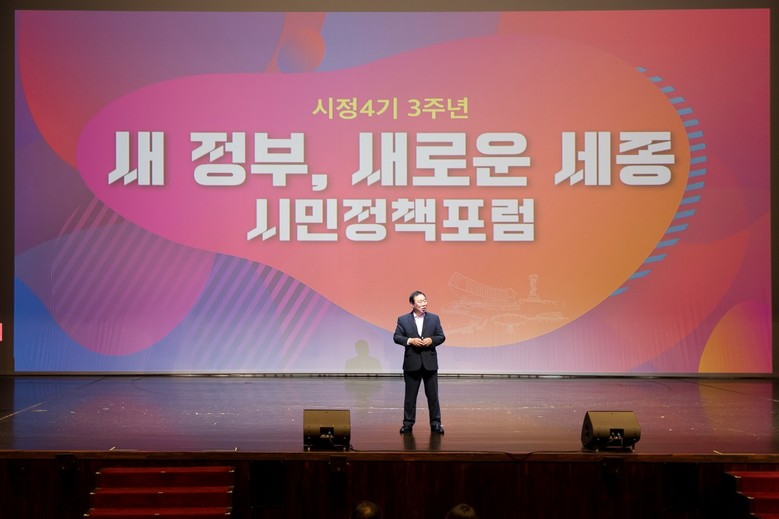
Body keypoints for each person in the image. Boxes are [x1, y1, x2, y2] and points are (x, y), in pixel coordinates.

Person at [394, 290, 446, 434]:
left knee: (433, 396)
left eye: (425, 301)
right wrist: (410, 341)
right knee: (410, 397)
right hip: (412, 363)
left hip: (430, 362)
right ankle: (408, 424)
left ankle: (436, 423)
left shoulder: (434, 318)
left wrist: (431, 340)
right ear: (412, 304)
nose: (424, 304)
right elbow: (397, 337)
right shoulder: (403, 319)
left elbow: (441, 336)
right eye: (420, 302)